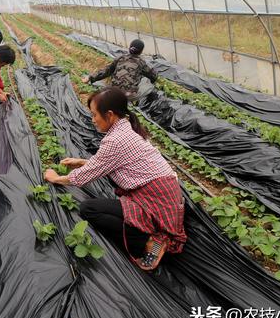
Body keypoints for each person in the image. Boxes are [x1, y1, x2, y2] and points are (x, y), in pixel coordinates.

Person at [44, 87, 186, 270]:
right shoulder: (126, 129)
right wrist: (82, 162)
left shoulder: (116, 140)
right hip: (164, 195)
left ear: (109, 115)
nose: (93, 120)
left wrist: (57, 178)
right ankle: (146, 231)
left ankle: (149, 241)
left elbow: (85, 177)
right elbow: (113, 163)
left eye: (94, 115)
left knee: (89, 209)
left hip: (156, 202)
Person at [81, 39, 157, 101]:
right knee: (146, 81)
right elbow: (154, 76)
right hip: (128, 95)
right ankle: (149, 98)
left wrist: (90, 77)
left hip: (113, 91)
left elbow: (106, 71)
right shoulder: (141, 63)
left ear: (129, 48)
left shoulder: (120, 58)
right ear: (141, 51)